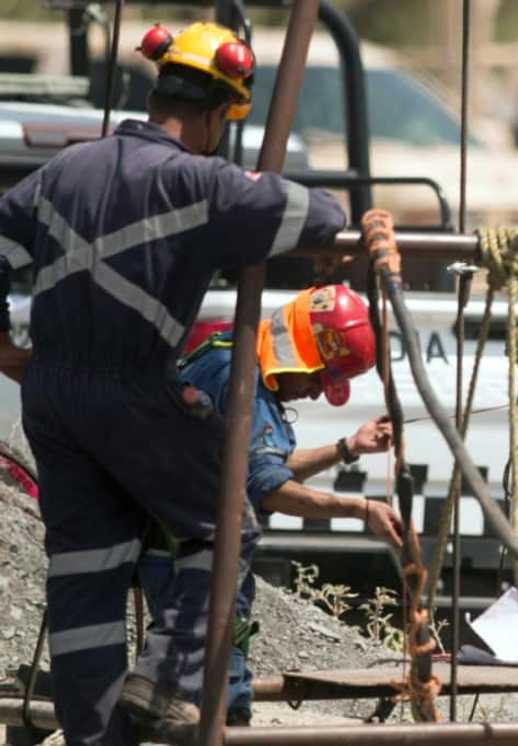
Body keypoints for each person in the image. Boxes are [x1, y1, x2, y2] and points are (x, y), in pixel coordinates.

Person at [0, 21, 387, 744]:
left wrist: (1, 344)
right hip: (133, 388)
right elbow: (318, 215)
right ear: (216, 113)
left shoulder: (62, 173)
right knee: (227, 518)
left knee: (86, 571)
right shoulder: (200, 181)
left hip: (51, 396)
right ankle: (164, 671)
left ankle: (93, 738)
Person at [137, 284, 404, 726]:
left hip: (189, 548)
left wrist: (347, 447)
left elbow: (261, 466)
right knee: (213, 701)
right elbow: (267, 487)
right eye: (319, 379)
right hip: (190, 556)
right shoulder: (238, 374)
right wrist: (361, 509)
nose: (318, 393)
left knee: (215, 693)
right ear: (300, 353)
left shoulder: (240, 359)